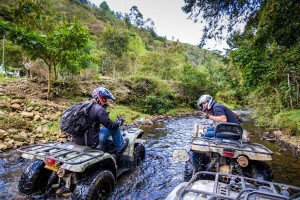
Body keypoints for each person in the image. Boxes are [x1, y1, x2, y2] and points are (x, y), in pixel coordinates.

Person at [72, 87, 129, 154]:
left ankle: (108, 145)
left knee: (101, 128)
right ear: (98, 97)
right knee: (115, 128)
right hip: (91, 142)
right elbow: (110, 125)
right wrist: (119, 122)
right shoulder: (99, 109)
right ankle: (120, 147)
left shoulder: (85, 105)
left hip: (77, 140)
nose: (106, 101)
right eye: (104, 98)